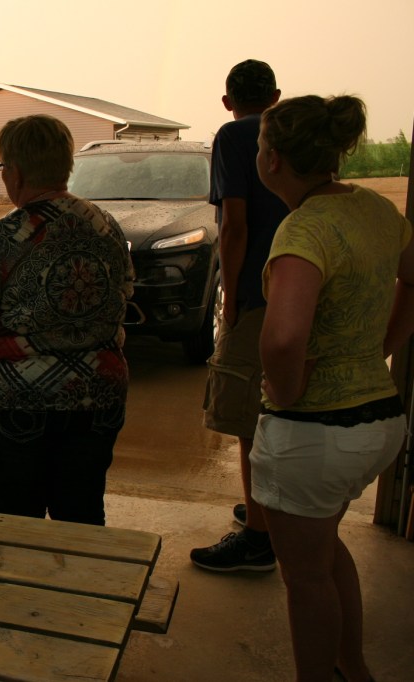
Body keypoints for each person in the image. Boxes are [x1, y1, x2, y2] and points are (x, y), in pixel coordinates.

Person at [253, 94, 413, 682]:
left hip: (316, 435)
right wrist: (378, 350)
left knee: (306, 577)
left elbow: (282, 338)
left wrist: (287, 389)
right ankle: (354, 666)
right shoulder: (373, 208)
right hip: (379, 421)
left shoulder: (304, 228)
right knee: (325, 548)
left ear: (274, 159)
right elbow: (413, 280)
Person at [0, 114, 133, 525]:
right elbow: (121, 298)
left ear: (14, 171)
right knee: (83, 511)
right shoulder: (107, 228)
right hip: (98, 399)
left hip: (16, 407)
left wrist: (6, 359)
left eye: (2, 168)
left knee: (18, 522)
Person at [191, 59, 289, 572]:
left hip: (257, 294)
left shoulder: (233, 137)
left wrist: (229, 294)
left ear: (228, 101)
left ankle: (257, 537)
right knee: (284, 405)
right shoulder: (293, 134)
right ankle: (266, 509)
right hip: (300, 288)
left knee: (247, 411)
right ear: (275, 95)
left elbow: (234, 225)